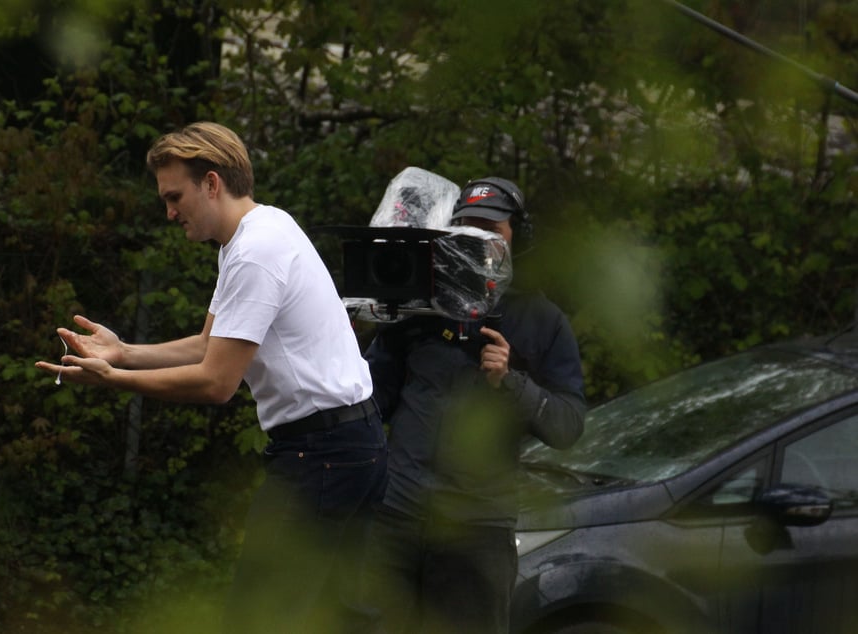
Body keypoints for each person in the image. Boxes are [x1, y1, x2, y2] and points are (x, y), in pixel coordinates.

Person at [35, 121, 387, 633]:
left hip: (324, 456)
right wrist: (125, 352)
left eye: (175, 196)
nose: (169, 212)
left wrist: (111, 378)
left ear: (213, 183)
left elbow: (215, 382)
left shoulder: (255, 252)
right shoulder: (259, 231)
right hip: (355, 445)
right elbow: (208, 345)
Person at [360, 176, 586, 634]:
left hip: (476, 533)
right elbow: (369, 401)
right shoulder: (420, 309)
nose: (479, 242)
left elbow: (568, 426)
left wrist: (511, 381)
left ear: (516, 238)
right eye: (468, 230)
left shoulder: (541, 320)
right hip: (398, 520)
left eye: (491, 230)